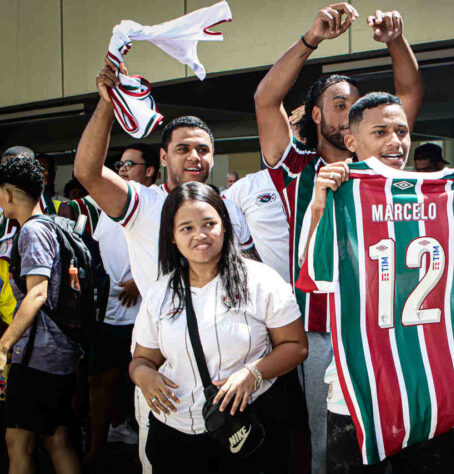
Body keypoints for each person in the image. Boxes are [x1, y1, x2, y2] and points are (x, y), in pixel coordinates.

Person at [302, 92, 454, 472]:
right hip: (357, 389)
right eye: (381, 131)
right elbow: (316, 279)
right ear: (352, 142)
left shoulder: (451, 196)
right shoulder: (338, 197)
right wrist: (322, 203)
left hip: (427, 385)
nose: (395, 141)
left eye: (402, 131)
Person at [254, 6, 423, 471]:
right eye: (340, 104)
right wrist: (311, 38)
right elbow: (265, 101)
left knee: (398, 435)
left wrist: (395, 41)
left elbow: (408, 92)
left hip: (389, 323)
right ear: (315, 115)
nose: (353, 112)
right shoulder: (296, 169)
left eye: (357, 104)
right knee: (327, 445)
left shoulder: (384, 166)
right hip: (321, 329)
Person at [74, 57, 258, 473]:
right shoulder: (145, 203)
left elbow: (253, 281)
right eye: (182, 148)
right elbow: (87, 171)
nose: (194, 156)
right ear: (163, 155)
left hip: (231, 377)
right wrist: (107, 103)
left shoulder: (229, 210)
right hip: (163, 373)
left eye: (202, 149)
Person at [129, 182, 308, 473]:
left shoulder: (261, 280)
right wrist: (143, 375)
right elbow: (143, 358)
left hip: (243, 427)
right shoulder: (160, 292)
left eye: (209, 223)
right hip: (174, 432)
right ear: (172, 237)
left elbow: (296, 346)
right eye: (186, 228)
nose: (200, 235)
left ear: (224, 226)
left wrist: (253, 373)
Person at [0, 157, 81, 474]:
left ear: (8, 194)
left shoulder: (31, 232)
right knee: (56, 437)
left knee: (17, 443)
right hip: (59, 352)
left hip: (37, 356)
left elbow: (37, 292)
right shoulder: (52, 225)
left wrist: (5, 345)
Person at [82, 145, 160, 468]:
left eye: (131, 163)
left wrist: (136, 283)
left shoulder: (154, 203)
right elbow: (101, 249)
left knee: (138, 387)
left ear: (152, 170)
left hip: (140, 319)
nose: (123, 168)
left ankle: (139, 451)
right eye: (121, 164)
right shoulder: (109, 205)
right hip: (110, 314)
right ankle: (98, 447)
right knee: (100, 381)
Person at [222, 169, 289, 282]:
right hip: (268, 288)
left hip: (317, 290)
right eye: (230, 181)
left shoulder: (319, 177)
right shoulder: (247, 186)